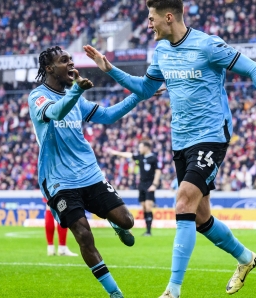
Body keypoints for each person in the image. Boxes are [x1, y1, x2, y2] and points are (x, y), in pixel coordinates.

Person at [84, 1, 256, 296]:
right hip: (181, 141)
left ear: (169, 17)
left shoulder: (208, 46)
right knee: (201, 216)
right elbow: (145, 89)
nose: (149, 24)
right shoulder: (162, 52)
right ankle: (246, 258)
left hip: (211, 137)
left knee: (182, 202)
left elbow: (255, 70)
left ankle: (173, 289)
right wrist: (110, 69)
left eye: (152, 18)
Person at [28, 46, 163, 298]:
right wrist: (78, 89)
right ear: (49, 68)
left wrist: (140, 96)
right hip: (59, 180)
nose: (71, 64)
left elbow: (109, 116)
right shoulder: (38, 97)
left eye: (71, 60)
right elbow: (56, 112)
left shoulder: (76, 97)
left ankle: (116, 223)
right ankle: (114, 293)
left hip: (89, 174)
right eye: (64, 61)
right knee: (83, 234)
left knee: (128, 220)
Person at [109, 140, 161, 236]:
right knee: (144, 207)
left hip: (150, 185)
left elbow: (158, 171)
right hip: (141, 185)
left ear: (146, 147)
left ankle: (149, 231)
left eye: (141, 147)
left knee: (149, 206)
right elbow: (129, 155)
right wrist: (116, 153)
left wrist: (154, 185)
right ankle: (147, 230)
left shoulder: (153, 158)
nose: (139, 149)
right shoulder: (140, 157)